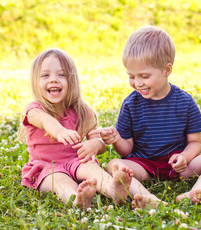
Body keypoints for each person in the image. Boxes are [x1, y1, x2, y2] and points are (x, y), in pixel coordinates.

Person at [90, 26, 201, 208]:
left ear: (167, 69)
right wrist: (116, 139)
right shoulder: (131, 104)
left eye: (144, 76)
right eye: (131, 76)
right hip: (143, 165)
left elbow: (196, 142)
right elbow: (126, 150)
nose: (137, 83)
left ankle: (196, 191)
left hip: (178, 165)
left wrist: (185, 157)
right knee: (114, 165)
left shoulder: (185, 101)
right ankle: (148, 198)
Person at [18, 48, 133, 209]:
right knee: (59, 181)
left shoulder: (82, 110)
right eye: (45, 75)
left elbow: (97, 140)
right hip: (46, 166)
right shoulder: (34, 110)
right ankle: (77, 199)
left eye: (61, 75)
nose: (53, 80)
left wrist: (95, 145)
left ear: (72, 80)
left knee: (93, 170)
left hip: (76, 161)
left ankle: (114, 189)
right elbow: (45, 121)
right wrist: (60, 132)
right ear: (36, 82)